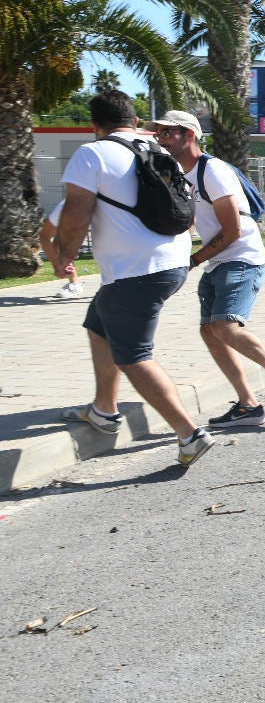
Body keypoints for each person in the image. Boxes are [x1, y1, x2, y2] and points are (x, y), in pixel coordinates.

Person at [53, 89, 216, 466]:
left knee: (134, 355)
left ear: (94, 126)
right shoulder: (159, 151)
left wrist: (63, 255)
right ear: (137, 121)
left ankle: (189, 434)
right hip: (171, 262)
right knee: (99, 324)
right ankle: (104, 410)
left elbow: (77, 212)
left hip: (135, 273)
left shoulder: (92, 153)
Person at [150, 110, 265, 427]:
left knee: (226, 327)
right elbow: (190, 221)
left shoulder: (213, 170)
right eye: (159, 133)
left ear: (189, 135)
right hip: (219, 262)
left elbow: (232, 230)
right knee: (211, 331)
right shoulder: (181, 174)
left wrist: (194, 259)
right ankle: (248, 406)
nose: (161, 139)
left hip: (241, 257)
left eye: (167, 133)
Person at [39, 201, 83, 298]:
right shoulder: (64, 207)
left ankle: (111, 283)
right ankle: (74, 283)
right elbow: (45, 236)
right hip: (75, 217)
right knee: (59, 246)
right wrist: (57, 265)